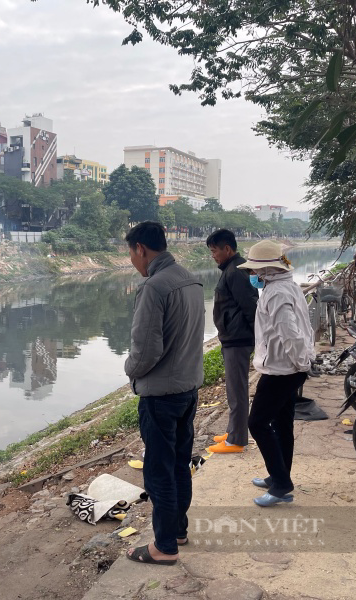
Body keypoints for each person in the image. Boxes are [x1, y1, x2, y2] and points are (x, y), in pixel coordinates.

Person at [123, 221, 205, 566]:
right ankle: (179, 530)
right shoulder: (191, 279)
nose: (131, 260)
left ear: (140, 248)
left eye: (130, 253)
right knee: (179, 464)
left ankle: (164, 546)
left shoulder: (154, 287)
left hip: (160, 396)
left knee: (159, 470)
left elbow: (145, 352)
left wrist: (129, 369)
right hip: (188, 389)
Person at [237, 240, 315, 507]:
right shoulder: (285, 286)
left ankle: (282, 483)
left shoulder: (276, 293)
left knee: (257, 423)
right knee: (282, 422)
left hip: (283, 369)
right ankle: (278, 475)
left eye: (254, 272)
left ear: (267, 270)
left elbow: (290, 332)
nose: (252, 277)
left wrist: (299, 363)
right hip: (289, 366)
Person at [206, 229, 259, 454]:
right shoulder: (230, 268)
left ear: (227, 249)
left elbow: (250, 306)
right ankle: (232, 430)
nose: (213, 255)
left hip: (238, 339)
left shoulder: (236, 271)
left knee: (237, 391)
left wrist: (255, 336)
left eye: (214, 250)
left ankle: (237, 440)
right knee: (232, 389)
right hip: (232, 338)